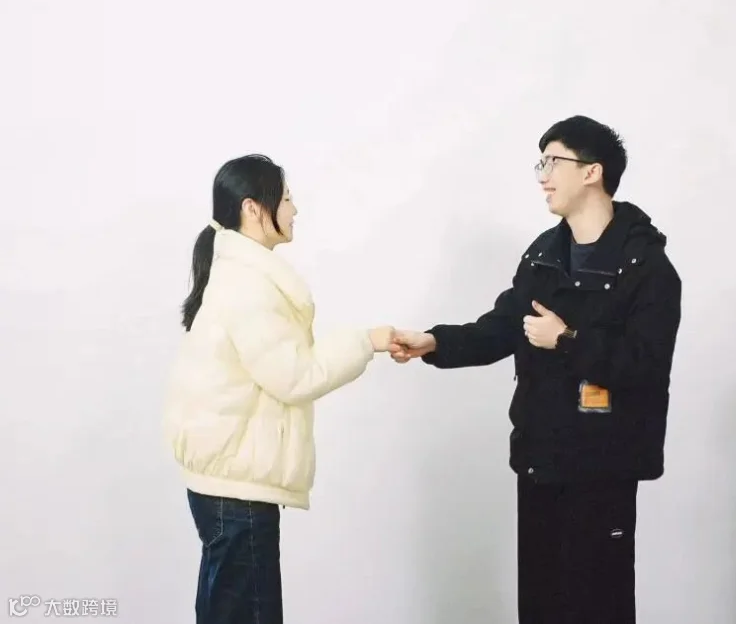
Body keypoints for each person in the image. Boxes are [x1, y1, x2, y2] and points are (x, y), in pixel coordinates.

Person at [390, 116, 682, 623]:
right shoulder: (544, 257)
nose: (543, 176)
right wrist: (434, 342)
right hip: (541, 461)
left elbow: (646, 366)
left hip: (602, 468)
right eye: (540, 163)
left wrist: (567, 340)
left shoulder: (647, 268)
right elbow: (502, 328)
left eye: (553, 162)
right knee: (542, 606)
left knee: (598, 605)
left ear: (592, 171)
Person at [163, 154, 395, 624]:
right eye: (286, 198)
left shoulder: (239, 275)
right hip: (237, 492)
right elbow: (295, 376)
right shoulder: (248, 285)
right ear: (253, 208)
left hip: (229, 482)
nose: (295, 209)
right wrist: (368, 341)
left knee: (225, 609)